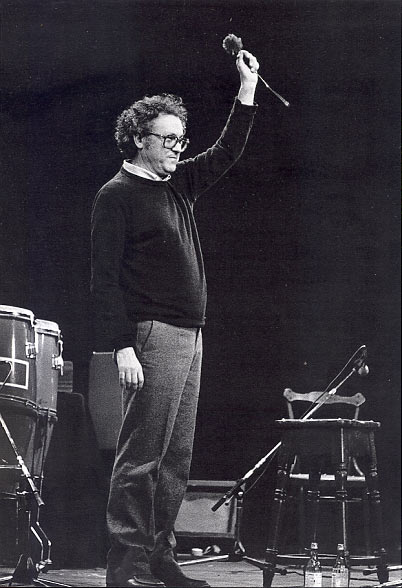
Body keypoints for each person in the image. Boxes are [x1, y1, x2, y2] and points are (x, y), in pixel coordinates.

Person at [91, 49, 259, 588]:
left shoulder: (178, 184)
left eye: (181, 141)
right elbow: (104, 281)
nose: (177, 149)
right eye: (168, 140)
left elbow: (225, 152)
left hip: (190, 336)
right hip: (152, 335)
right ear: (139, 138)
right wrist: (122, 346)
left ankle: (160, 556)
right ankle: (127, 565)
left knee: (175, 458)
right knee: (141, 456)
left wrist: (247, 89)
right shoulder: (116, 196)